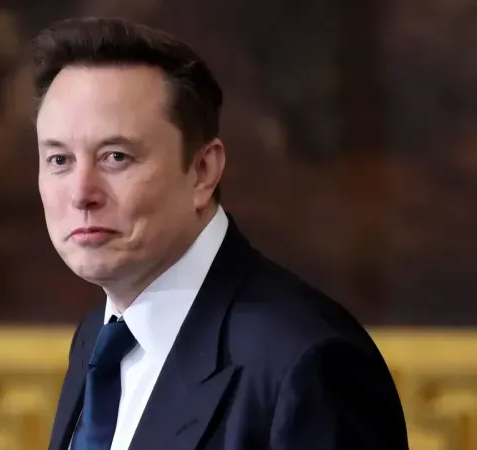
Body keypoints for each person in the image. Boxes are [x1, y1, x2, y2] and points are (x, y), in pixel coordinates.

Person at [31, 17, 408, 450]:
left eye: (116, 156)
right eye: (59, 160)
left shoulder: (309, 362)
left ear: (203, 171)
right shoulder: (98, 336)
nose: (81, 193)